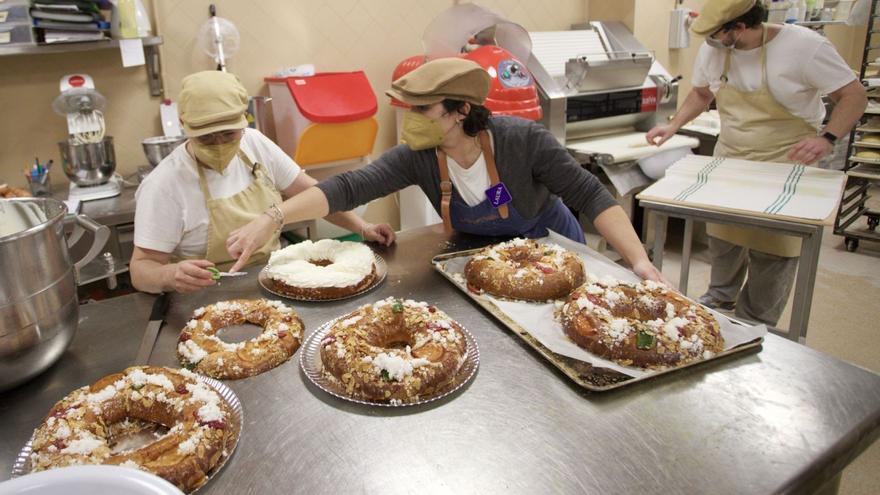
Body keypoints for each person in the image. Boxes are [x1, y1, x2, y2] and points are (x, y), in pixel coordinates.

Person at [224, 58, 665, 283]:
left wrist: (639, 262)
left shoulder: (522, 141)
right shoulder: (418, 153)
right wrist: (274, 217)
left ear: (460, 111)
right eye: (408, 108)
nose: (411, 119)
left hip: (551, 249)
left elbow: (589, 194)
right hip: (482, 260)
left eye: (423, 109)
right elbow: (349, 187)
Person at [646, 0, 866, 326]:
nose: (710, 44)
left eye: (716, 35)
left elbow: (854, 95)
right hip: (731, 156)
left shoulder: (804, 47)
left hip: (785, 160)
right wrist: (673, 124)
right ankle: (720, 299)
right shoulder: (715, 50)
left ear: (740, 27)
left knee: (774, 248)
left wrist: (827, 138)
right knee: (724, 238)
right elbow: (702, 94)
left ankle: (758, 321)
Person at [130, 71, 395, 294]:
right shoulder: (164, 186)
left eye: (228, 134)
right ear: (183, 125)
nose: (220, 144)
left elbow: (316, 195)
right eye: (207, 138)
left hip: (275, 282)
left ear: (243, 120)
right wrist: (170, 274)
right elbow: (141, 270)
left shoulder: (254, 144)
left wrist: (363, 227)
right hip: (206, 297)